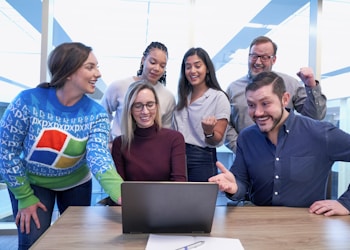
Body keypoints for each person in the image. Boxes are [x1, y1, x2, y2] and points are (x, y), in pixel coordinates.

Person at [0, 42, 123, 249]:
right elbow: (7, 152)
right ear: (69, 71)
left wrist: (120, 192)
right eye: (90, 67)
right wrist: (24, 196)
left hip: (76, 184)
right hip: (33, 184)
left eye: (97, 66)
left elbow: (99, 155)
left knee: (74, 243)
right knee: (33, 243)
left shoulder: (97, 114)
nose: (98, 74)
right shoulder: (26, 102)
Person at [209, 71, 350, 216]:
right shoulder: (247, 137)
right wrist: (234, 187)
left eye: (265, 103)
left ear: (285, 99)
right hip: (259, 222)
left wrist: (346, 203)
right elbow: (241, 182)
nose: (257, 113)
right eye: (251, 105)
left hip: (308, 226)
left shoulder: (319, 133)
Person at [225, 36, 327, 153]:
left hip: (284, 157)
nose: (258, 62)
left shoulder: (290, 84)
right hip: (246, 160)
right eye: (254, 56)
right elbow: (224, 124)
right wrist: (239, 147)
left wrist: (311, 85)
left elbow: (315, 116)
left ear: (274, 60)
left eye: (264, 57)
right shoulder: (233, 88)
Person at [100, 41, 176, 146]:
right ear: (143, 60)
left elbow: (165, 131)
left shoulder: (168, 97)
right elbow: (102, 115)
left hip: (148, 152)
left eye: (162, 66)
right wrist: (108, 141)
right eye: (153, 62)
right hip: (119, 148)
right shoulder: (119, 86)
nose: (157, 68)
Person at [173, 47, 231, 182]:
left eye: (197, 66)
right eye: (188, 67)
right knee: (175, 201)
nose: (192, 71)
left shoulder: (218, 97)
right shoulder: (181, 97)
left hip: (201, 158)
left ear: (207, 69)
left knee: (199, 202)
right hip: (177, 155)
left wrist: (209, 132)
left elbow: (216, 139)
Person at [111, 81, 187, 181]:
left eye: (150, 105)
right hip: (133, 197)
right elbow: (120, 188)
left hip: (168, 196)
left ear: (157, 106)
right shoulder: (120, 144)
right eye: (138, 106)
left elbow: (179, 183)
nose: (145, 111)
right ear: (130, 110)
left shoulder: (174, 139)